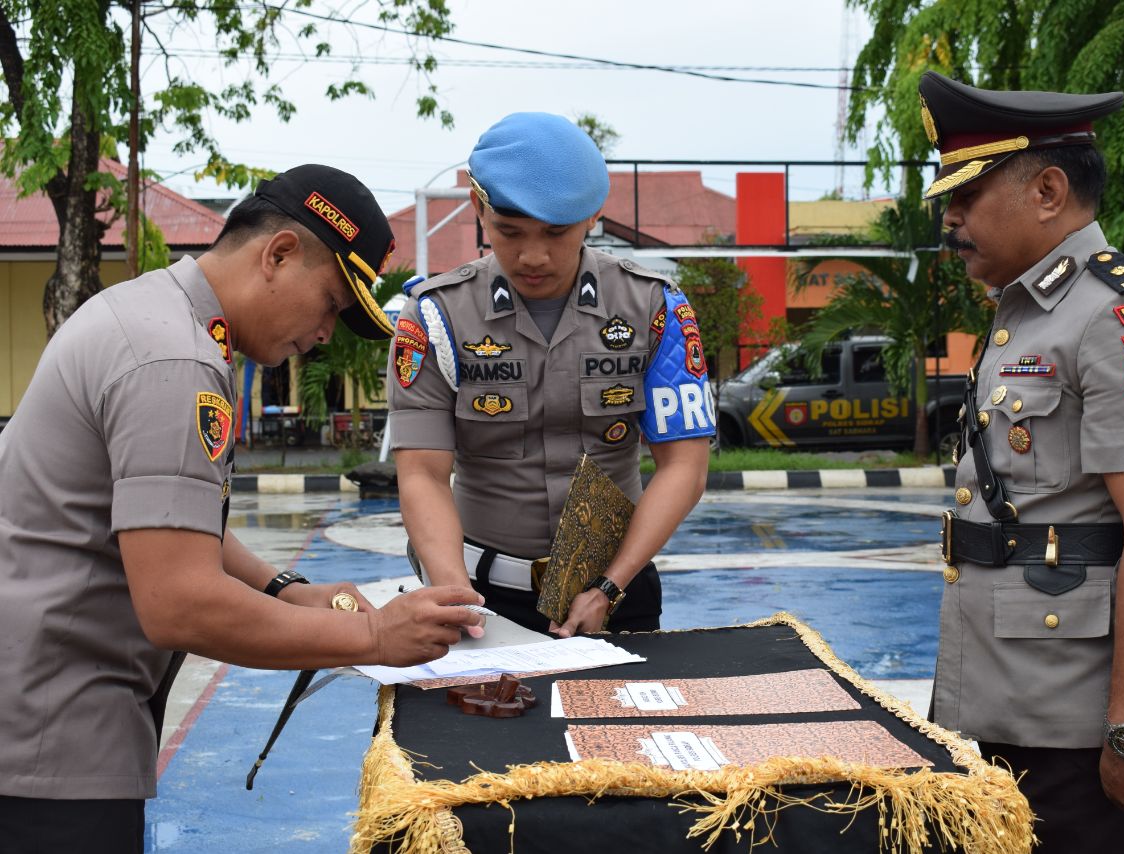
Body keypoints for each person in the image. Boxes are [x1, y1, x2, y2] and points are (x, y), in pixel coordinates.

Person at [0, 164, 484, 853]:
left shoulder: (159, 315)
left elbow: (164, 516)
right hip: (53, 734)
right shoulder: (175, 360)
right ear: (278, 254)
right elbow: (178, 602)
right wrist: (373, 640)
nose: (326, 333)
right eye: (329, 303)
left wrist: (284, 590)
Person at [917, 71, 1124, 853]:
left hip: (1082, 718)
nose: (949, 219)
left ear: (1048, 191)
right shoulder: (1026, 314)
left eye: (966, 196)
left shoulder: (1120, 319)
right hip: (1016, 694)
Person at [389, 112, 714, 637]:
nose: (532, 256)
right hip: (479, 597)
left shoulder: (655, 309)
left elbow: (684, 467)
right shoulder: (435, 317)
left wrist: (609, 586)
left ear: (593, 216)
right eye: (509, 231)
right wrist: (454, 595)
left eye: (556, 232)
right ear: (478, 208)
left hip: (617, 592)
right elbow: (423, 474)